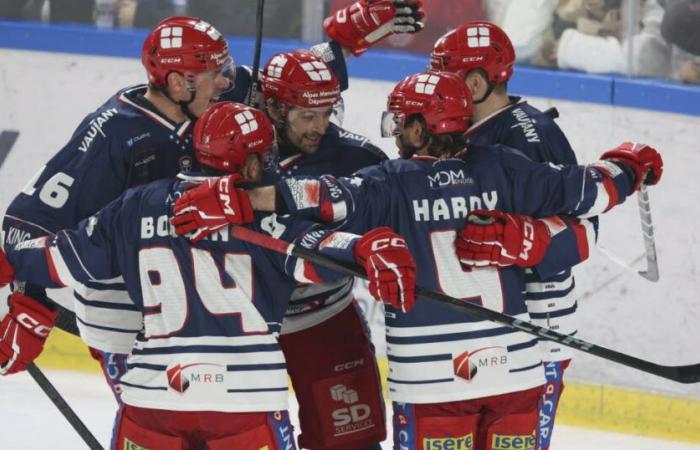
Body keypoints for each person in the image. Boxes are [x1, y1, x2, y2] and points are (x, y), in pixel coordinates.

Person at [173, 70, 663, 450]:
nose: (395, 134)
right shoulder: (507, 168)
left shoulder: (390, 184)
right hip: (517, 371)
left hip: (431, 382)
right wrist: (628, 165)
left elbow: (317, 196)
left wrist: (244, 198)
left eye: (401, 121)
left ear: (418, 126)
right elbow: (590, 191)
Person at [0, 101, 417, 450]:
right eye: (266, 157)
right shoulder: (262, 218)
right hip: (244, 400)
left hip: (152, 396)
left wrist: (9, 259)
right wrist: (365, 249)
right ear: (252, 164)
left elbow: (61, 259)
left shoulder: (135, 207)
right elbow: (317, 253)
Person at [186, 48, 390, 450]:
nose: (321, 126)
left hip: (323, 319)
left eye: (328, 112)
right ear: (275, 107)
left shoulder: (356, 157)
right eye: (307, 116)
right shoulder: (225, 131)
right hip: (239, 327)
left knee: (351, 443)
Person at [429, 21, 590, 449]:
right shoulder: (474, 130)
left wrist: (525, 238)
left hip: (538, 330)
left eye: (445, 77)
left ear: (476, 82)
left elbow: (582, 232)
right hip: (496, 331)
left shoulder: (527, 136)